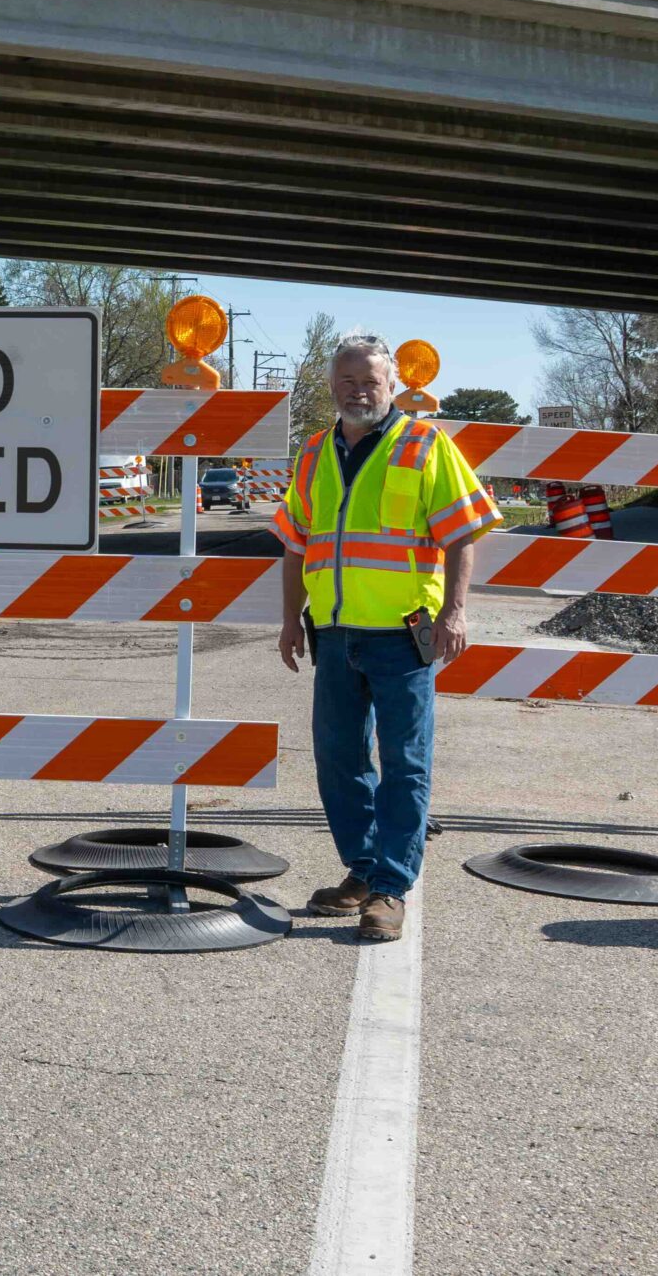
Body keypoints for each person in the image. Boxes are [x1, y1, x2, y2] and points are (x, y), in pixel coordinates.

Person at [272, 333, 500, 942]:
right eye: (346, 382)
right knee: (340, 762)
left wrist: (454, 612)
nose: (358, 392)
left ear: (392, 385)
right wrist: (291, 618)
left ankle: (391, 888)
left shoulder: (426, 444)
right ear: (330, 389)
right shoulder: (315, 452)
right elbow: (297, 544)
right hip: (337, 633)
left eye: (370, 381)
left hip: (403, 636)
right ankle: (365, 868)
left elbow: (462, 535)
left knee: (404, 764)